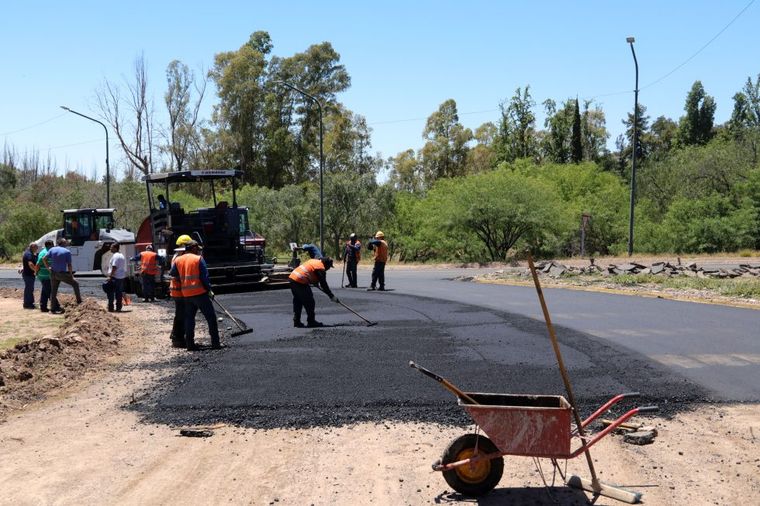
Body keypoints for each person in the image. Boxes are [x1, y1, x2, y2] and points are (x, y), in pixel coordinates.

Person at [170, 240, 221, 351]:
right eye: (197, 248)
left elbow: (172, 273)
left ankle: (190, 344)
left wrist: (182, 277)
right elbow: (204, 277)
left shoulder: (178, 260)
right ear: (193, 248)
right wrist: (209, 290)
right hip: (200, 293)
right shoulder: (198, 259)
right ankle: (215, 343)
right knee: (210, 317)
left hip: (186, 295)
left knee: (189, 319)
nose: (198, 250)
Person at [288, 256, 339, 328]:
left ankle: (297, 321)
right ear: (326, 264)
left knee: (298, 300)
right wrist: (331, 296)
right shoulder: (320, 267)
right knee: (310, 301)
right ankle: (311, 321)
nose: (328, 269)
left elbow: (309, 272)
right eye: (329, 267)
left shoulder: (313, 261)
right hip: (300, 281)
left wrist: (314, 282)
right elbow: (323, 284)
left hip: (292, 278)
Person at [43, 238, 83, 314]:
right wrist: (71, 275)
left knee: (54, 291)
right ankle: (79, 302)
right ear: (63, 243)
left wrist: (48, 268)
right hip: (61, 273)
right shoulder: (67, 251)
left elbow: (44, 258)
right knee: (75, 284)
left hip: (53, 273)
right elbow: (69, 265)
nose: (67, 243)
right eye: (66, 242)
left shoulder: (52, 249)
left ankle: (52, 309)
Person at [168, 234, 192, 348]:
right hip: (179, 291)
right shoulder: (178, 258)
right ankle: (178, 338)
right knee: (182, 315)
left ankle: (177, 337)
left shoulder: (176, 256)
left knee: (180, 314)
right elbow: (177, 275)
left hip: (177, 291)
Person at [106, 242, 127, 312]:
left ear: (115, 248)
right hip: (121, 277)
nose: (110, 248)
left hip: (115, 277)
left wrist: (110, 276)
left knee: (110, 292)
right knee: (119, 293)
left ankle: (111, 307)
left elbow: (114, 267)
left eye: (111, 247)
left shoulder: (115, 256)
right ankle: (118, 307)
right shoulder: (121, 255)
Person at [36, 239, 54, 312]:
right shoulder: (46, 252)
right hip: (45, 275)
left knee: (45, 291)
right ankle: (56, 305)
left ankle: (43, 307)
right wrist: (36, 272)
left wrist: (37, 273)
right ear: (50, 245)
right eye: (53, 245)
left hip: (43, 275)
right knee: (50, 291)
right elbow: (38, 263)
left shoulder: (43, 252)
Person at [20, 242, 39, 309]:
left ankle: (30, 303)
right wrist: (35, 270)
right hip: (28, 274)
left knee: (30, 289)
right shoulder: (28, 254)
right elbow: (30, 264)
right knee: (29, 289)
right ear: (32, 247)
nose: (37, 248)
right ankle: (27, 304)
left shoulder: (29, 253)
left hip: (28, 274)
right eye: (36, 247)